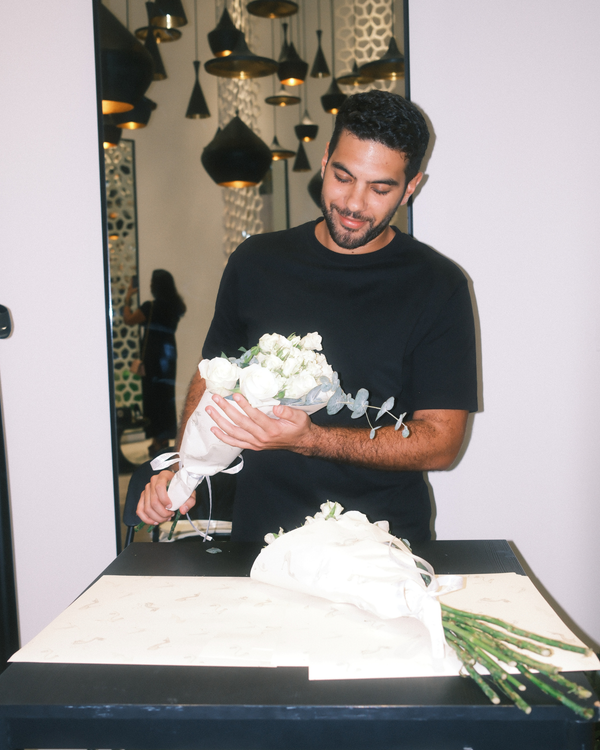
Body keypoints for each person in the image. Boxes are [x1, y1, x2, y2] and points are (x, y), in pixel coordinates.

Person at [137, 91, 478, 542]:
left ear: (410, 187)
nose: (354, 203)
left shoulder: (438, 285)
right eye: (342, 177)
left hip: (381, 545)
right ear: (325, 160)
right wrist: (186, 468)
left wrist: (311, 439)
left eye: (380, 189)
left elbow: (442, 441)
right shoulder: (256, 263)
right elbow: (212, 377)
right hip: (261, 537)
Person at [124, 269, 186, 457]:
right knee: (166, 397)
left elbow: (128, 319)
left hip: (154, 355)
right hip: (169, 354)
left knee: (152, 398)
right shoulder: (176, 307)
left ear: (156, 286)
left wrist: (128, 298)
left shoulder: (150, 307)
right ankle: (162, 439)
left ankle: (157, 440)